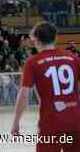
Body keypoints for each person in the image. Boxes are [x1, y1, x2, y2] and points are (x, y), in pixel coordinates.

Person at [11, 22, 80, 152]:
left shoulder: (33, 62)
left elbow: (24, 95)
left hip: (51, 123)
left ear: (36, 40)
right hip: (76, 122)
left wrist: (15, 123)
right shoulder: (73, 58)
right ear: (55, 38)